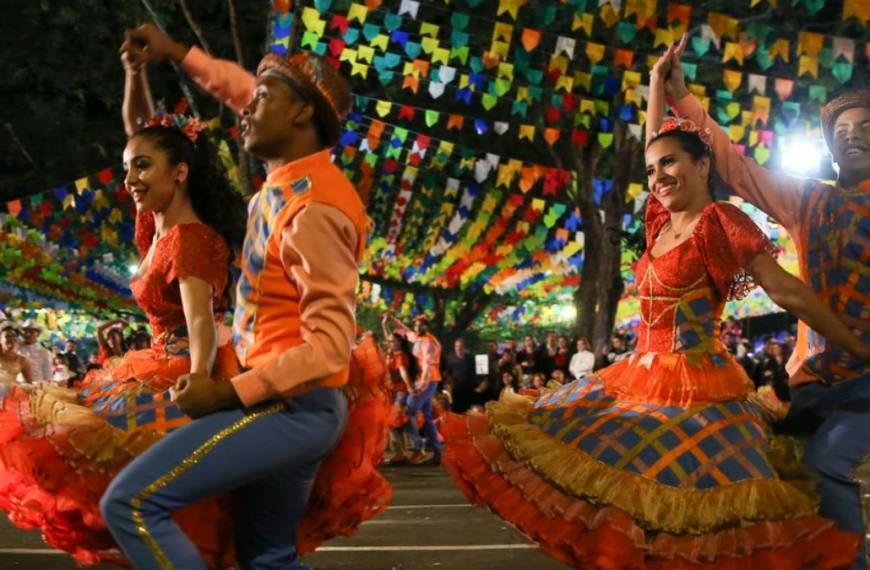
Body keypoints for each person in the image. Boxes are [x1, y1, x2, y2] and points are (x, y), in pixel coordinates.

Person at [439, 46, 867, 567]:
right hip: (642, 378)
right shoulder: (661, 220)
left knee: (711, 507)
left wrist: (857, 344)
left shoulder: (722, 222)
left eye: (673, 165)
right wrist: (657, 88)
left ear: (704, 165)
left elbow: (789, 292)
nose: (659, 175)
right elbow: (661, 153)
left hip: (698, 385)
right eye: (652, 169)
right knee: (626, 501)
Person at [104, 24, 384, 569]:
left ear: (302, 115)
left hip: (290, 408)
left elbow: (330, 348)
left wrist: (229, 393)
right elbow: (236, 88)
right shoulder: (284, 182)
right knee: (268, 559)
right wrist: (175, 54)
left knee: (132, 503)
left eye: (261, 99)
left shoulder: (315, 208)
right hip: (286, 404)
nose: (244, 108)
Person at [0, 66, 247, 565]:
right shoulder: (154, 227)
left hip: (185, 370)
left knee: (157, 495)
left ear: (179, 173)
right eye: (129, 167)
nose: (131, 179)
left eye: (142, 168)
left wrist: (199, 381)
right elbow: (138, 129)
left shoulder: (190, 239)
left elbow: (200, 321)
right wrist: (134, 73)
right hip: (154, 362)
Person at [659, 35, 870, 566]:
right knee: (765, 468)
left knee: (824, 464)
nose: (853, 138)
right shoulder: (811, 199)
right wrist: (679, 99)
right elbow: (735, 168)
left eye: (866, 127)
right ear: (827, 146)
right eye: (842, 131)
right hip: (813, 377)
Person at [384, 313, 443, 465]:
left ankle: (419, 449)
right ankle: (438, 453)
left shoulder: (430, 343)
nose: (416, 328)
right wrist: (392, 320)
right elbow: (405, 331)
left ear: (427, 326)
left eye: (420, 325)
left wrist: (418, 387)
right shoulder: (419, 338)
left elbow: (427, 369)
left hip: (428, 381)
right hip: (423, 381)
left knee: (407, 412)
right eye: (416, 325)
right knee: (427, 417)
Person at [445, 338, 477, 414]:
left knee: (468, 411)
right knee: (456, 410)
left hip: (469, 389)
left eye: (461, 346)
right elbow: (448, 374)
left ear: (464, 347)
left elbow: (475, 372)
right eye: (456, 346)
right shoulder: (450, 358)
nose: (458, 348)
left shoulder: (470, 359)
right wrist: (449, 386)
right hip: (456, 389)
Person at [0, 322, 32, 388]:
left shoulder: (23, 360)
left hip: (11, 396)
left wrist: (19, 386)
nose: (11, 339)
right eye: (7, 336)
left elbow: (29, 385)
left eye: (14, 336)